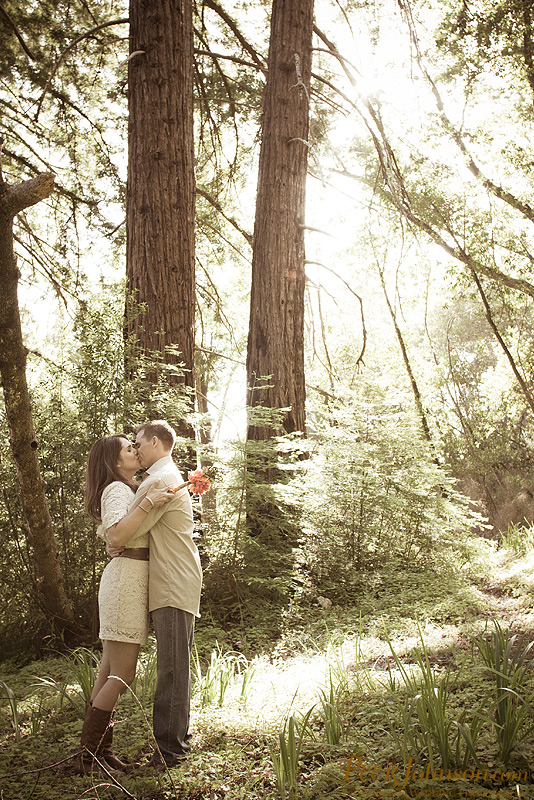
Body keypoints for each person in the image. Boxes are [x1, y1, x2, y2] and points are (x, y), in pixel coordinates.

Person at [74, 434, 174, 775]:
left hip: (128, 577)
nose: (135, 449)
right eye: (128, 448)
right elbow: (116, 535)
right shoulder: (117, 489)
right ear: (116, 462)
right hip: (125, 582)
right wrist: (149, 504)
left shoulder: (127, 488)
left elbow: (116, 535)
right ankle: (88, 757)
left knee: (108, 672)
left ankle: (101, 753)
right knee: (123, 674)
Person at [127, 420, 203, 771]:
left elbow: (126, 531)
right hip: (177, 579)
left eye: (138, 443)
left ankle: (170, 752)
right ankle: (175, 744)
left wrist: (113, 540)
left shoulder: (160, 480)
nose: (135, 448)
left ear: (155, 442)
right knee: (176, 666)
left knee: (171, 669)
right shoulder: (168, 475)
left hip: (172, 582)